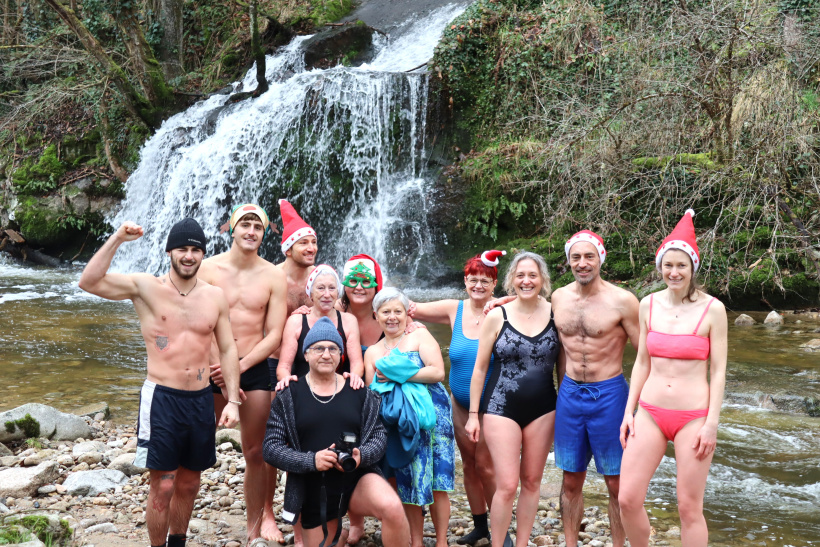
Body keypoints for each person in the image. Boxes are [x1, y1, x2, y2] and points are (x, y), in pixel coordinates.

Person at [78, 219, 240, 547]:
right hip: (162, 399)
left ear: (203, 254)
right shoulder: (146, 287)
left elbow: (227, 347)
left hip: (199, 399)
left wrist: (233, 399)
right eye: (182, 248)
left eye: (196, 249)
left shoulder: (215, 297)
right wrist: (119, 238)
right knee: (164, 485)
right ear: (170, 251)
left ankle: (177, 542)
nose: (189, 256)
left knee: (190, 483)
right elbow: (89, 281)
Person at [483, 233, 640, 547]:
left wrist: (638, 406)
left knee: (616, 483)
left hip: (609, 394)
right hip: (569, 395)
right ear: (569, 261)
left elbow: (646, 356)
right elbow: (526, 306)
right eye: (576, 257)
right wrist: (501, 301)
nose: (582, 263)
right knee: (570, 481)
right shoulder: (559, 299)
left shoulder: (623, 301)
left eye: (589, 257)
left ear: (600, 259)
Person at [619, 209, 727, 547]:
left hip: (693, 418)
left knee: (688, 507)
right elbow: (641, 363)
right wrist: (629, 411)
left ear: (693, 268)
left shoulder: (713, 310)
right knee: (627, 499)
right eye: (668, 264)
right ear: (659, 267)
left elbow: (719, 370)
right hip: (650, 412)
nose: (674, 271)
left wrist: (712, 423)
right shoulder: (647, 304)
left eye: (681, 265)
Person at [263, 317, 411, 547]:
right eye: (318, 348)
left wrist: (361, 455)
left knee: (392, 507)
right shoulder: (288, 396)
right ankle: (338, 536)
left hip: (355, 477)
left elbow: (379, 436)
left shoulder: (360, 392)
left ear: (341, 355)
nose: (326, 354)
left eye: (333, 348)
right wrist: (311, 460)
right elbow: (271, 448)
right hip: (312, 483)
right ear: (306, 354)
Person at [198, 204, 288, 546]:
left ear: (264, 234)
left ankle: (254, 529)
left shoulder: (272, 275)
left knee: (257, 450)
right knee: (191, 445)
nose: (251, 231)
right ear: (231, 229)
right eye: (245, 225)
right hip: (208, 368)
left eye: (258, 227)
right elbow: (193, 319)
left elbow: (274, 334)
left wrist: (240, 366)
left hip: (251, 366)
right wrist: (216, 367)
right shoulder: (207, 269)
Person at [407, 250, 506, 545]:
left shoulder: (502, 310)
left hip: (492, 404)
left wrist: (505, 300)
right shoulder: (455, 309)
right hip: (459, 403)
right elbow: (409, 307)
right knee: (469, 465)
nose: (478, 285)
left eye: (485, 281)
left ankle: (501, 530)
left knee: (487, 466)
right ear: (465, 281)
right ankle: (480, 526)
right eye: (473, 279)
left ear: (494, 284)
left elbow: (534, 301)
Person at [466, 252, 559, 547]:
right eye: (520, 275)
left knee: (532, 483)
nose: (526, 280)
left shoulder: (557, 312)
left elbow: (565, 367)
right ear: (510, 280)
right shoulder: (497, 315)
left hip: (544, 408)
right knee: (506, 485)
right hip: (500, 406)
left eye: (532, 275)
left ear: (542, 279)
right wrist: (472, 414)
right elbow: (480, 368)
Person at [365, 288, 455, 547]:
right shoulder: (372, 352)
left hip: (434, 416)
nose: (392, 317)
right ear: (376, 315)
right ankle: (415, 542)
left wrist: (399, 374)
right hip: (400, 422)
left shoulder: (419, 335)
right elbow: (371, 391)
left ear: (406, 314)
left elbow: (437, 372)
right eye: (386, 312)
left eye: (398, 311)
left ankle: (441, 542)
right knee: (408, 480)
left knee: (439, 480)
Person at [263, 198, 318, 543]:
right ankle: (267, 514)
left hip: (311, 366)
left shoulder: (321, 278)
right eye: (304, 242)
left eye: (313, 241)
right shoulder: (271, 277)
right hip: (272, 366)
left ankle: (305, 516)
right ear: (288, 248)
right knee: (272, 442)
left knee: (311, 440)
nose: (311, 248)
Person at [276, 264, 364, 383]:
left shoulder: (349, 321)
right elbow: (284, 367)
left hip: (338, 389)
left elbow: (357, 364)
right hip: (303, 389)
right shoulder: (296, 321)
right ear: (310, 293)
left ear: (338, 293)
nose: (327, 294)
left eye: (332, 288)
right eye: (321, 288)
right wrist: (288, 383)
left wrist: (353, 380)